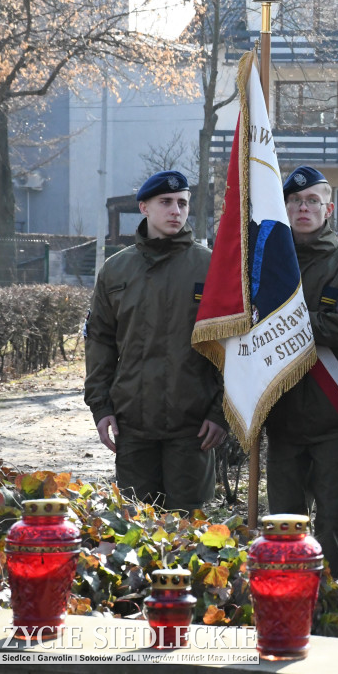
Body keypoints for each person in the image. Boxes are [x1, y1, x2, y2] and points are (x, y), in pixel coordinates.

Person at [84, 170, 226, 512]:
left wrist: (222, 412)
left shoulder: (212, 268)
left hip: (194, 427)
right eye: (166, 203)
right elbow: (100, 341)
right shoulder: (116, 271)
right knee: (135, 529)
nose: (175, 211)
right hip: (133, 424)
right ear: (144, 208)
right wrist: (101, 407)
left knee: (191, 534)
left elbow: (233, 345)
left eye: (182, 203)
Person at [263, 166, 338, 579]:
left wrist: (278, 320)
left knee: (330, 526)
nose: (303, 208)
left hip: (333, 418)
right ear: (284, 207)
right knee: (283, 527)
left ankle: (329, 614)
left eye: (312, 201)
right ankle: (284, 603)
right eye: (295, 201)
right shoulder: (265, 266)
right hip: (282, 419)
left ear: (328, 209)